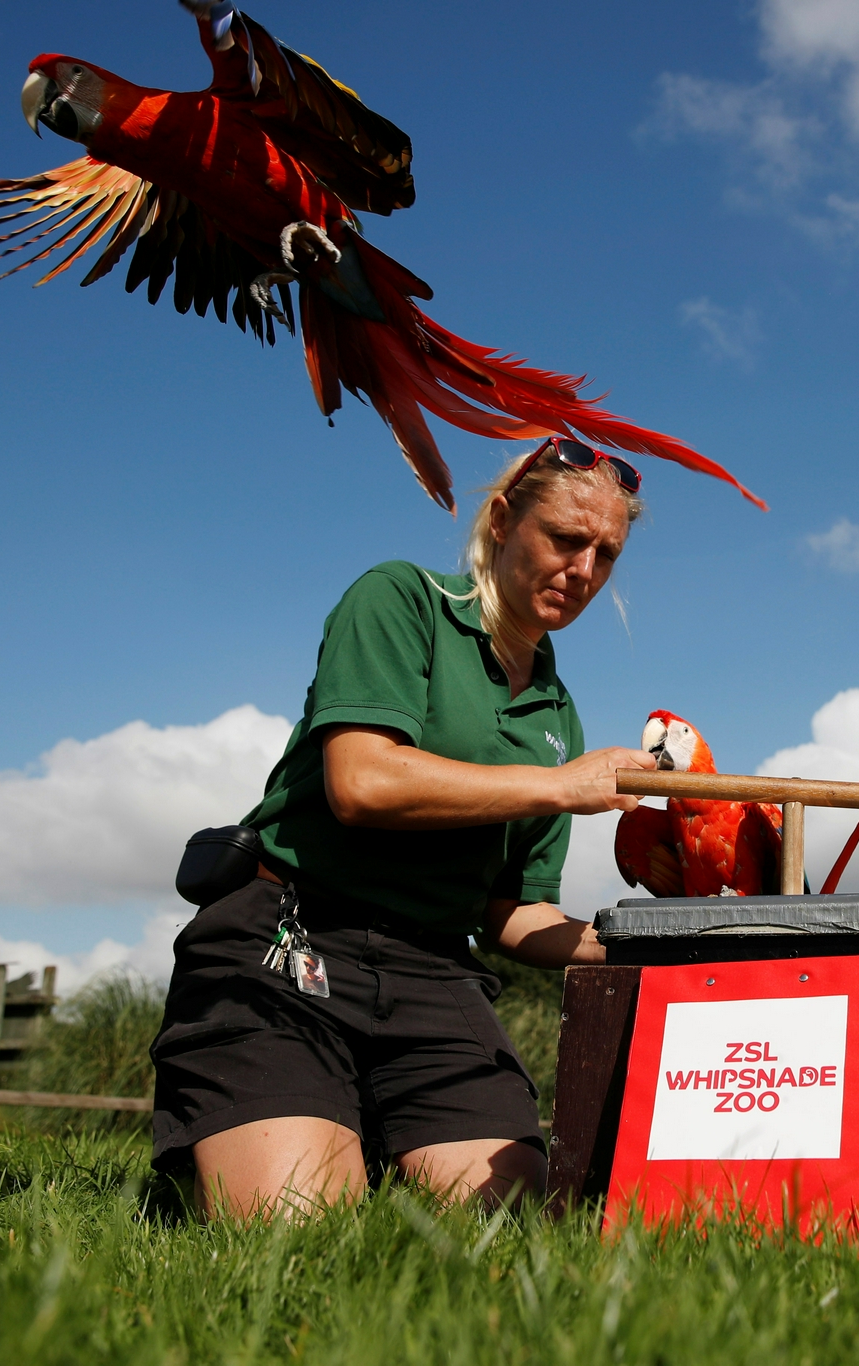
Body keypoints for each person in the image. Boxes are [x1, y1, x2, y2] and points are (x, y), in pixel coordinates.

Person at [151, 437, 659, 1218]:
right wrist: (559, 787)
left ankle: (363, 1134)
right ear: (500, 522)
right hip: (291, 940)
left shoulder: (559, 714)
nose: (583, 571)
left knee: (511, 1222)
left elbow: (510, 916)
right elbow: (362, 781)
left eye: (606, 554)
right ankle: (246, 1144)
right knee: (295, 1223)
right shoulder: (402, 601)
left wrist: (651, 942)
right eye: (565, 539)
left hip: (433, 972)